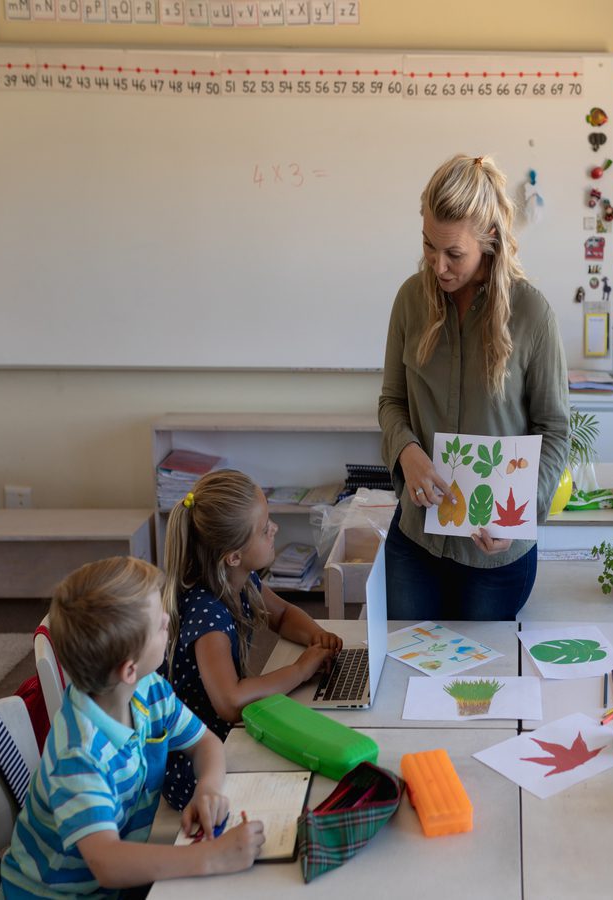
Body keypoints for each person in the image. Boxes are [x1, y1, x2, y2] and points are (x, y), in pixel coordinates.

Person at [0, 557, 265, 897]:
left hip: (114, 883)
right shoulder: (78, 754)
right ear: (128, 669)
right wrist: (211, 857)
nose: (168, 620)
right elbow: (109, 864)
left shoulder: (148, 689)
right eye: (158, 624)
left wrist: (208, 789)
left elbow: (206, 745)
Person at [378, 153, 570, 620]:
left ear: (488, 237)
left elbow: (555, 429)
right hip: (416, 540)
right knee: (407, 677)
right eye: (428, 246)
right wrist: (408, 452)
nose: (438, 266)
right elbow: (392, 402)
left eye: (454, 254)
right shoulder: (410, 300)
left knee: (481, 690)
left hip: (495, 556)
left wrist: (520, 514)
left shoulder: (532, 315)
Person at [160, 469, 342, 809]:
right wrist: (302, 669)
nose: (274, 530)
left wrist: (316, 636)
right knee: (303, 779)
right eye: (264, 529)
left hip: (220, 737)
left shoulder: (238, 579)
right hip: (199, 761)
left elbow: (284, 615)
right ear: (233, 556)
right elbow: (230, 703)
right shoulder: (207, 614)